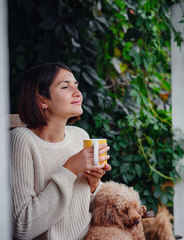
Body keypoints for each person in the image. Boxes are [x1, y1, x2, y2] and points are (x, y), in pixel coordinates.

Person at [10, 63, 111, 240]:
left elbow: (86, 208)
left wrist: (93, 184)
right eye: (65, 86)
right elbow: (23, 228)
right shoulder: (22, 140)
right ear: (42, 100)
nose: (77, 93)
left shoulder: (80, 136)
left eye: (76, 85)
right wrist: (70, 169)